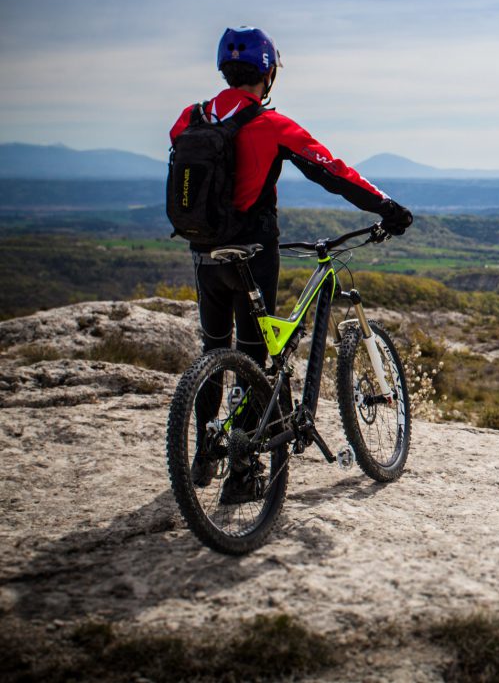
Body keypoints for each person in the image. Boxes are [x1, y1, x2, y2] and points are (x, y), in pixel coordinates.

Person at [170, 26, 412, 501]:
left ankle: (203, 453)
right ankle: (243, 475)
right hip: (254, 255)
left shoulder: (188, 119)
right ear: (268, 74)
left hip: (204, 254)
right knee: (254, 359)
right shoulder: (271, 126)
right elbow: (332, 171)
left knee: (212, 351)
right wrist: (387, 207)